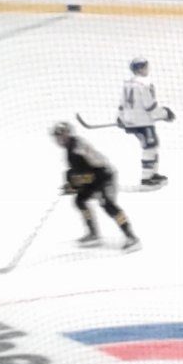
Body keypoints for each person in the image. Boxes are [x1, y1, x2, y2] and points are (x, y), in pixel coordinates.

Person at [51, 123, 137, 250]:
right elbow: (79, 171)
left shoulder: (78, 147)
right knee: (80, 201)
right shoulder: (69, 150)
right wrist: (73, 184)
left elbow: (97, 168)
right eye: (57, 136)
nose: (60, 138)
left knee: (108, 205)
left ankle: (131, 237)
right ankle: (94, 234)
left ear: (69, 133)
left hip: (105, 176)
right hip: (94, 178)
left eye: (63, 134)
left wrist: (76, 182)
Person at [117, 56, 171, 189]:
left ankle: (152, 174)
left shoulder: (127, 83)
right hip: (142, 122)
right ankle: (146, 178)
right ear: (140, 69)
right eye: (146, 66)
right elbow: (149, 106)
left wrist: (120, 117)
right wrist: (165, 114)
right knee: (150, 147)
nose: (148, 69)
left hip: (131, 121)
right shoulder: (144, 84)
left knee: (152, 145)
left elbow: (122, 104)